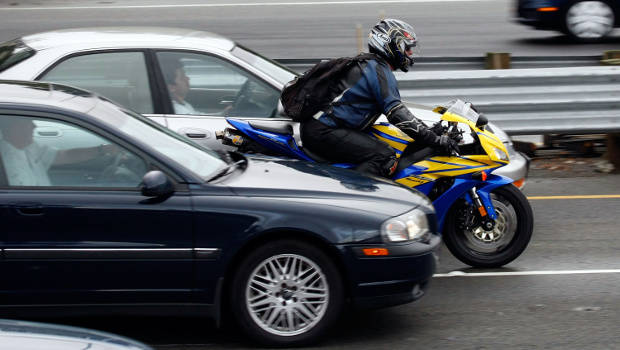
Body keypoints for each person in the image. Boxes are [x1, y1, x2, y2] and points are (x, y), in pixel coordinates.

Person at [300, 18, 459, 177]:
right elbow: (398, 115)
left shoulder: (372, 65)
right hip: (323, 131)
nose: (410, 53)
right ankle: (354, 199)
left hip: (322, 127)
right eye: (407, 48)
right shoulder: (378, 71)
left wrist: (432, 131)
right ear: (391, 45)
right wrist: (435, 140)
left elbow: (400, 112)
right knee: (384, 157)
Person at [0, 117, 118, 186]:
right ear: (14, 127)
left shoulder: (29, 148)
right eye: (27, 122)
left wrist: (102, 150)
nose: (34, 126)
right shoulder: (6, 161)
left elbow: (65, 156)